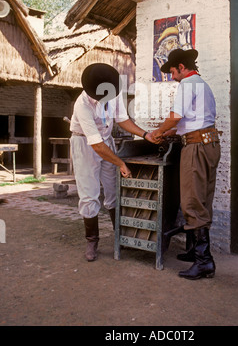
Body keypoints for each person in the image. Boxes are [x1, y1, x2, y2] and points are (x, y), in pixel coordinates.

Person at [70, 63, 153, 262]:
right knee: (89, 193)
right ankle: (92, 240)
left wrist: (145, 134)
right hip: (84, 143)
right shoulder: (82, 104)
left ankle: (120, 236)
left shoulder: (113, 93)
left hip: (106, 141)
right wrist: (121, 163)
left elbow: (122, 119)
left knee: (113, 190)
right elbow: (96, 145)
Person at [151, 49, 220, 280]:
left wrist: (157, 131)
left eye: (172, 71)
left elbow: (175, 116)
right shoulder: (203, 85)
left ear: (181, 67)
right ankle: (194, 252)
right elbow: (192, 121)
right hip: (209, 143)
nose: (171, 76)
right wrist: (170, 131)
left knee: (191, 201)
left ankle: (204, 262)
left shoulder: (187, 83)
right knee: (202, 199)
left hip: (196, 147)